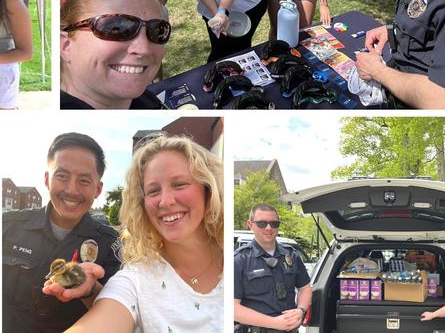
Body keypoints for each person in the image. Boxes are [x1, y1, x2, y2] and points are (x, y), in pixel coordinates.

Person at [67, 135, 224, 332]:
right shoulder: (135, 281)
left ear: (209, 190)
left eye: (180, 184)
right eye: (153, 191)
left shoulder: (235, 261)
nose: (165, 201)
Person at [3, 133, 122, 333]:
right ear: (47, 179)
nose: (71, 190)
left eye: (84, 181)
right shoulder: (8, 227)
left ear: (98, 189)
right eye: (62, 176)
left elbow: (118, 317)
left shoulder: (109, 243)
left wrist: (90, 290)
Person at [60, 0, 169, 109]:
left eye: (157, 30)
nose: (143, 49)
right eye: (116, 29)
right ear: (65, 46)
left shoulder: (144, 101)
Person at [234, 203, 312, 333]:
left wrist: (301, 310)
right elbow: (233, 307)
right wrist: (274, 323)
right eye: (262, 223)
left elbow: (305, 287)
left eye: (274, 223)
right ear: (250, 224)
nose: (269, 228)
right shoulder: (239, 260)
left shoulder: (291, 255)